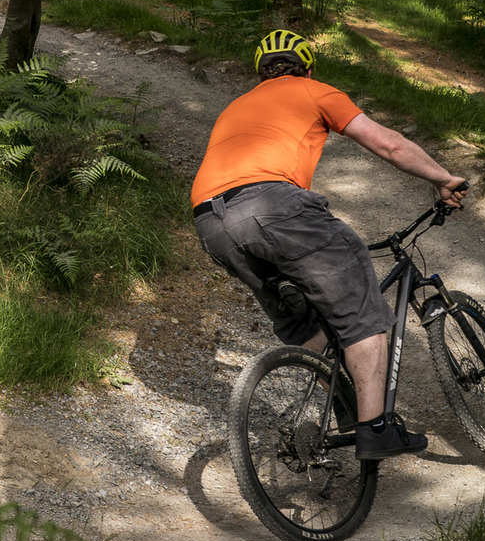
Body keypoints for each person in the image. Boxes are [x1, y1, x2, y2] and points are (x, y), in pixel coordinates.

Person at [191, 30, 468, 460]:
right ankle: (376, 429)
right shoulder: (313, 90)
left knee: (306, 327)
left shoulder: (235, 107)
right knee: (362, 314)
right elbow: (389, 144)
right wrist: (443, 179)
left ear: (261, 71)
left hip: (211, 223)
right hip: (271, 206)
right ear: (307, 67)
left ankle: (348, 411)